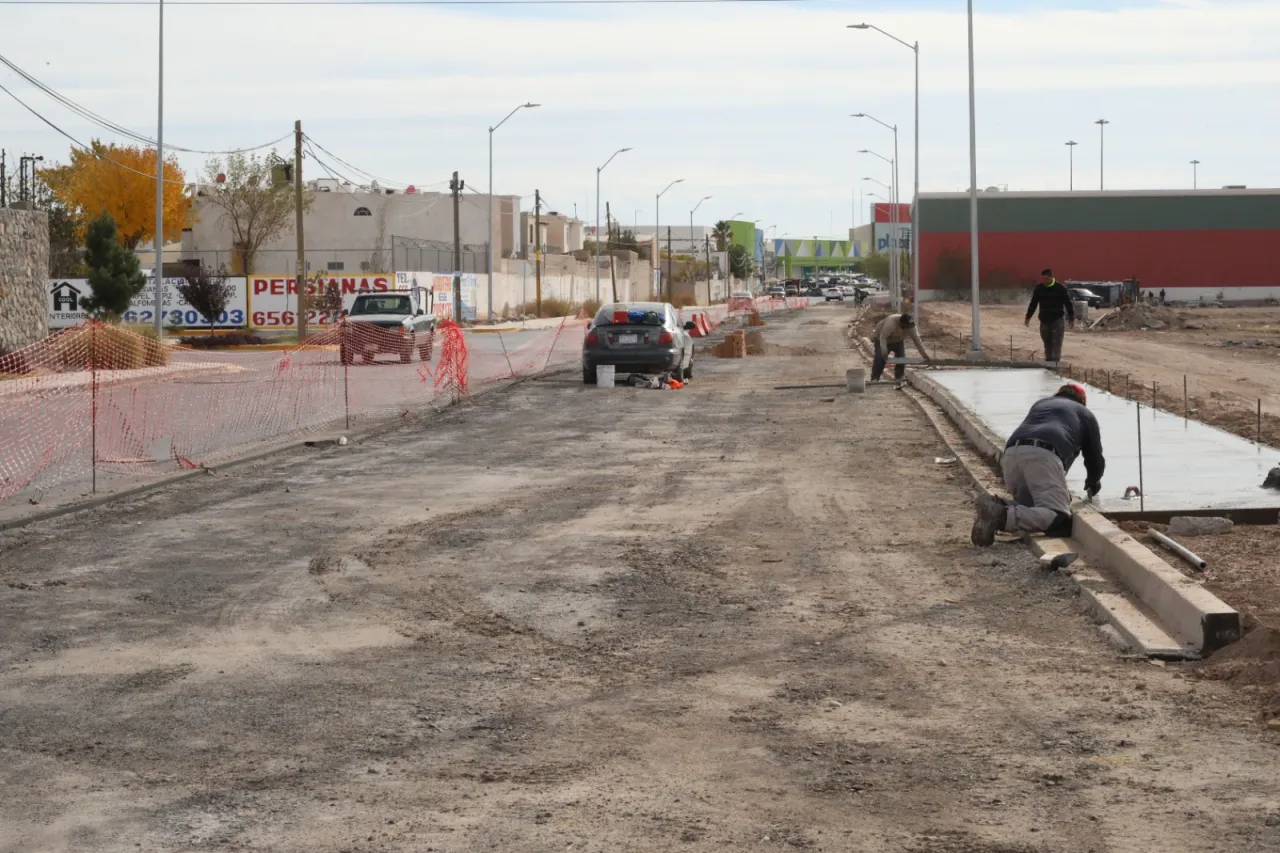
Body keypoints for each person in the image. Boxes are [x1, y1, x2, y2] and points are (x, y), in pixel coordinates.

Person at [971, 383, 1105, 546]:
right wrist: (1093, 482)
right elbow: (1095, 458)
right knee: (1060, 518)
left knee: (1032, 508)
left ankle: (995, 505)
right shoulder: (1085, 414)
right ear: (1082, 401)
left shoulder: (1041, 405)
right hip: (1042, 455)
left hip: (1011, 454)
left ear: (1058, 395)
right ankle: (1000, 516)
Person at [1025, 269, 1075, 363]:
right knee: (1047, 343)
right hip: (1044, 320)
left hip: (1057, 320)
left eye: (1046, 279)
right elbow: (1033, 304)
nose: (1044, 281)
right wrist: (1028, 317)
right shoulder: (1039, 288)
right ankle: (1048, 363)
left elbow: (1068, 303)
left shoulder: (1060, 288)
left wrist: (1071, 318)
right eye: (1043, 279)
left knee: (1056, 342)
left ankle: (1055, 364)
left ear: (1051, 277)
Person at [871, 312, 929, 381]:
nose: (909, 329)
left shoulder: (911, 327)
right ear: (902, 324)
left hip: (898, 341)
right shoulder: (891, 323)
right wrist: (884, 352)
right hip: (882, 339)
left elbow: (917, 341)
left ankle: (899, 376)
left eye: (910, 327)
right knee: (880, 358)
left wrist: (924, 355)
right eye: (907, 327)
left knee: (901, 357)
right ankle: (875, 377)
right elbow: (883, 337)